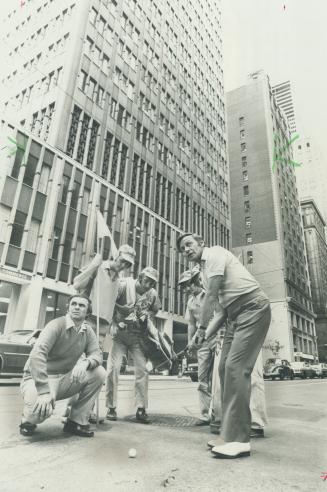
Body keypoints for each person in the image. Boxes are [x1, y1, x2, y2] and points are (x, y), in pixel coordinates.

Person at [177, 233, 271, 459]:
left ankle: (239, 439)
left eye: (189, 244)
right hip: (233, 316)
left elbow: (210, 297)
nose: (186, 250)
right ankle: (228, 433)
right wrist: (200, 338)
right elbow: (219, 312)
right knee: (223, 370)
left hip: (253, 308)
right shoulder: (204, 274)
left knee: (236, 369)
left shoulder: (216, 254)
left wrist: (200, 329)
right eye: (182, 249)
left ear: (201, 243)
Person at [19, 295, 106, 438]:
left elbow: (97, 355)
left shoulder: (87, 331)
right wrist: (44, 391)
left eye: (81, 305)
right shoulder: (56, 325)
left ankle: (75, 422)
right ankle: (27, 419)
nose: (77, 307)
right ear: (68, 308)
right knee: (40, 414)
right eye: (74, 304)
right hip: (42, 379)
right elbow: (37, 355)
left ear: (87, 313)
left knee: (99, 373)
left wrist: (85, 363)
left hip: (65, 378)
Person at [70, 244, 136, 423]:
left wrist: (122, 312)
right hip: (87, 322)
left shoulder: (119, 281)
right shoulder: (99, 267)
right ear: (116, 256)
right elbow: (77, 284)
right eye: (122, 260)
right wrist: (94, 264)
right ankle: (74, 411)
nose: (123, 265)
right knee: (79, 367)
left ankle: (84, 410)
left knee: (92, 369)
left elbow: (111, 305)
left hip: (102, 329)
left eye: (127, 264)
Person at [106, 267, 161, 424]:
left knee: (142, 370)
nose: (149, 284)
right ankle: (111, 407)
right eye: (147, 280)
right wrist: (114, 322)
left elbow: (154, 310)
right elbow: (108, 302)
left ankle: (141, 408)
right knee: (113, 368)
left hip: (138, 336)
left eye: (153, 282)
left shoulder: (152, 294)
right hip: (120, 334)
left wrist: (144, 316)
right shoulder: (124, 285)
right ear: (140, 277)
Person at [178, 266, 219, 425]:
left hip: (216, 338)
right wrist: (190, 342)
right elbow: (191, 324)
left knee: (218, 379)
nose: (188, 288)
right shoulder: (190, 302)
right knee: (202, 379)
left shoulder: (209, 294)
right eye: (185, 286)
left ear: (196, 281)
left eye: (189, 284)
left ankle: (219, 415)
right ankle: (204, 415)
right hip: (202, 344)